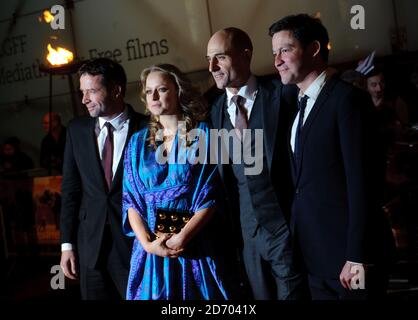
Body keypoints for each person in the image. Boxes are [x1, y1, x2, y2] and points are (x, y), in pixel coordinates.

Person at [269, 14, 396, 299]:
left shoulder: (348, 101)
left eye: (285, 50)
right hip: (316, 258)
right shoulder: (298, 107)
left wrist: (357, 256)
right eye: (274, 53)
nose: (277, 60)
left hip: (352, 261)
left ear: (314, 49)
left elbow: (364, 184)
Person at [122, 63, 237, 300]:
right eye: (148, 91)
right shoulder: (136, 143)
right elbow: (130, 199)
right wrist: (147, 244)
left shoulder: (203, 134)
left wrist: (181, 238)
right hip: (151, 249)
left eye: (161, 89)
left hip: (194, 243)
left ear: (178, 91)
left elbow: (211, 194)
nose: (153, 96)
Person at [206, 27, 306, 300]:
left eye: (220, 57)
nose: (212, 66)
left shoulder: (282, 95)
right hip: (246, 236)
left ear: (246, 55)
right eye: (209, 59)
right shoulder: (213, 111)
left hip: (285, 228)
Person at [60, 58, 147, 300]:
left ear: (117, 90)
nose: (84, 99)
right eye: (82, 92)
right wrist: (67, 245)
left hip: (135, 245)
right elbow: (70, 191)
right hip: (90, 247)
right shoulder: (76, 130)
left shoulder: (148, 128)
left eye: (92, 91)